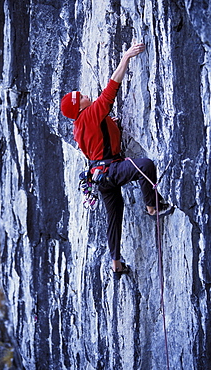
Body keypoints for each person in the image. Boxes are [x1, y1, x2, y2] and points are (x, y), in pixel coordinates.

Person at [61, 41, 172, 279]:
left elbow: (99, 140)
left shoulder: (78, 127)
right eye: (80, 97)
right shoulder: (90, 114)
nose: (84, 95)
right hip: (110, 170)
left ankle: (115, 261)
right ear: (78, 107)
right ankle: (153, 206)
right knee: (144, 166)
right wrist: (126, 58)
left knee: (114, 215)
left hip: (99, 177)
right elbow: (112, 88)